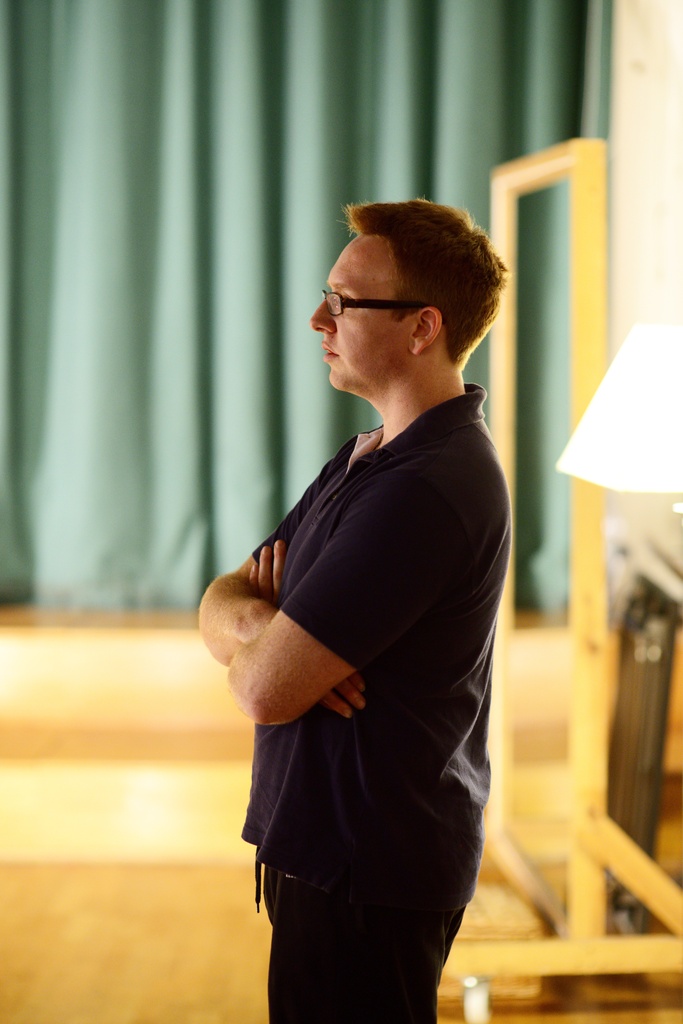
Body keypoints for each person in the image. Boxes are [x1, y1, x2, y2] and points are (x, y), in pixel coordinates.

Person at [199, 199, 511, 1024]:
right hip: (331, 851)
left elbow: (262, 691)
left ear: (421, 328)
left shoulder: (425, 490)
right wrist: (267, 628)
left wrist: (274, 650)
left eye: (342, 301)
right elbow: (222, 596)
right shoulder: (370, 454)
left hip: (370, 864)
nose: (317, 319)